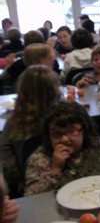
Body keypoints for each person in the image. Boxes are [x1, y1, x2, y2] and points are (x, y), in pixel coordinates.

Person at [24, 101, 100, 196]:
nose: (65, 139)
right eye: (57, 134)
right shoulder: (40, 159)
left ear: (84, 130)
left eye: (71, 131)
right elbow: (32, 200)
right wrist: (55, 169)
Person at [0, 65, 60, 198]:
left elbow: (6, 160)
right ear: (54, 89)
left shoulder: (14, 122)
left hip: (27, 186)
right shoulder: (62, 116)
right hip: (64, 177)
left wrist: (19, 180)